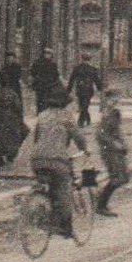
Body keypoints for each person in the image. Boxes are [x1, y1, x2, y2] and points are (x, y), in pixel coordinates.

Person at [30, 95, 89, 239]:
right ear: (64, 105)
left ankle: (43, 214)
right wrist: (85, 149)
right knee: (64, 189)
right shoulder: (66, 117)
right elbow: (78, 137)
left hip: (37, 160)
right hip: (57, 160)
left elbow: (37, 137)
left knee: (50, 186)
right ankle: (64, 228)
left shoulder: (42, 116)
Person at [0, 65, 29, 168]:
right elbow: (18, 106)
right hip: (11, 117)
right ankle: (10, 155)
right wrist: (19, 117)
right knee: (14, 136)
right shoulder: (13, 93)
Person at [94, 88, 130, 217]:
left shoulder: (114, 111)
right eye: (114, 97)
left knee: (124, 177)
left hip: (116, 150)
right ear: (108, 99)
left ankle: (100, 197)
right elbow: (100, 133)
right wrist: (115, 143)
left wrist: (123, 144)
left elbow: (117, 131)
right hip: (110, 151)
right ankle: (101, 204)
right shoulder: (108, 112)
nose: (117, 99)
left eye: (118, 97)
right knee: (118, 177)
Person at [67, 51, 103, 128]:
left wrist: (68, 90)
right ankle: (87, 118)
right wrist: (100, 88)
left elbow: (72, 80)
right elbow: (96, 80)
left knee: (82, 105)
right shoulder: (93, 69)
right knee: (85, 105)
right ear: (89, 60)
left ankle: (81, 121)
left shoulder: (77, 68)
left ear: (82, 59)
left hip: (80, 89)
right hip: (89, 90)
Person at [30, 47, 63, 112]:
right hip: (41, 87)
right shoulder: (37, 63)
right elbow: (33, 73)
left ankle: (45, 118)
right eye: (46, 53)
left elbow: (56, 76)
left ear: (51, 55)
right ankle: (40, 118)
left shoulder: (53, 65)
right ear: (43, 54)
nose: (47, 55)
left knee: (47, 104)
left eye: (49, 54)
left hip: (49, 87)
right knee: (40, 104)